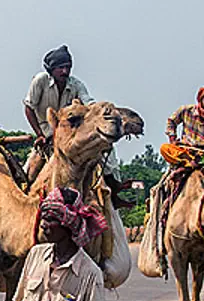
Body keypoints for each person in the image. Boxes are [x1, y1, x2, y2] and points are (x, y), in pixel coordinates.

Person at [23, 48, 130, 208]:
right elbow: (29, 108)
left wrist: (104, 114)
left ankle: (113, 188)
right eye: (61, 67)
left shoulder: (76, 85)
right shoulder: (40, 81)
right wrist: (39, 134)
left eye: (67, 67)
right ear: (51, 69)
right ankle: (24, 197)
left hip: (71, 131)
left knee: (103, 147)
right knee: (29, 172)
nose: (65, 71)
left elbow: (89, 103)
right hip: (47, 128)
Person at [162, 86, 204, 169]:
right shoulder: (186, 110)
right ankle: (187, 164)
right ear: (200, 100)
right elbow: (171, 121)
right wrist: (173, 139)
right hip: (185, 151)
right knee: (164, 148)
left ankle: (188, 167)